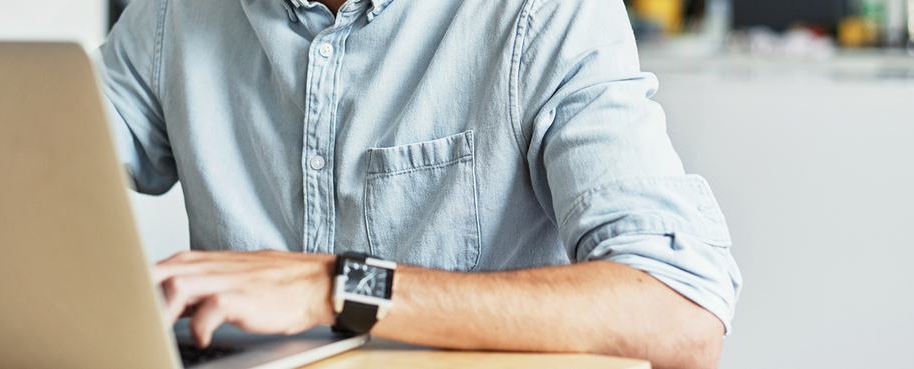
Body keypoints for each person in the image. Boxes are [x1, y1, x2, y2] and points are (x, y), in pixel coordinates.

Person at [96, 0, 741, 367]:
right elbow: (35, 163)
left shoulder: (544, 13)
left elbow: (680, 310)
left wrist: (340, 287)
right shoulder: (172, 15)